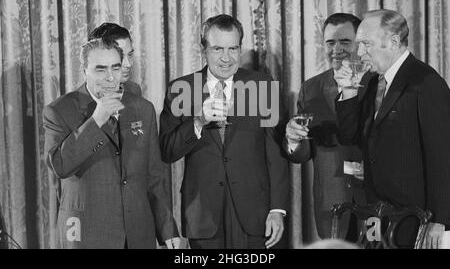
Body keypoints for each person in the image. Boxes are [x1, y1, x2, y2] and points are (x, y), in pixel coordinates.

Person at [159, 14, 289, 249]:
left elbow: (276, 154)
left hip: (257, 215)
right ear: (203, 49)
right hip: (204, 216)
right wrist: (198, 121)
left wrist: (277, 209)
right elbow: (167, 151)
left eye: (233, 48)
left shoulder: (263, 86)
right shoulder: (181, 89)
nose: (226, 58)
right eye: (218, 48)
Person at [43, 38, 179, 248]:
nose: (109, 77)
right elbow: (61, 166)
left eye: (115, 68)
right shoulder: (58, 111)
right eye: (100, 69)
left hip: (138, 234)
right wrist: (97, 119)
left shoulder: (142, 109)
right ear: (85, 69)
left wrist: (167, 229)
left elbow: (154, 177)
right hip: (87, 234)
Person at [335, 9, 450, 248]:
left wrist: (440, 220)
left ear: (394, 41)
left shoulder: (426, 82)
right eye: (359, 44)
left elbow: (442, 156)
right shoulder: (369, 81)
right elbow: (349, 137)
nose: (361, 52)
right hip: (375, 213)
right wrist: (347, 92)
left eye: (367, 44)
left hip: (416, 216)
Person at [284, 13, 366, 239]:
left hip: (375, 202)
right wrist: (293, 140)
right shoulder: (311, 88)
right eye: (331, 42)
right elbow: (303, 154)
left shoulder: (378, 82)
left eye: (345, 41)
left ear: (360, 42)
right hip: (331, 204)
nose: (337, 49)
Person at [88, 22, 142, 96]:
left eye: (130, 55)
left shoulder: (133, 90)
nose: (128, 64)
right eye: (121, 56)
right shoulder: (75, 103)